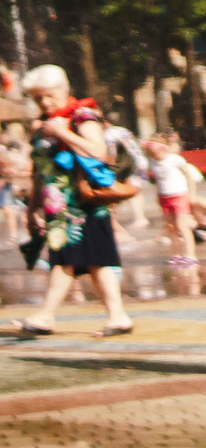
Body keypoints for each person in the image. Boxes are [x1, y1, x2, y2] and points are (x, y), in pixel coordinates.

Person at [16, 66, 135, 337]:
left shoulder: (82, 116)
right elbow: (40, 171)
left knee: (69, 260)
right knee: (92, 261)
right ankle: (118, 316)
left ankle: (46, 315)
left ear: (64, 89)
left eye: (48, 96)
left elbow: (99, 152)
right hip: (58, 205)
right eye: (37, 98)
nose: (44, 103)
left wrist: (62, 133)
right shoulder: (42, 126)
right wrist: (32, 207)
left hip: (84, 203)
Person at [148, 134, 195, 265]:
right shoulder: (153, 162)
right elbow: (157, 181)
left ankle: (190, 254)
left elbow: (188, 175)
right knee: (171, 227)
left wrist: (191, 193)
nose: (154, 154)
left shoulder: (175, 159)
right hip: (165, 196)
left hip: (179, 194)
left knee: (182, 225)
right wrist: (157, 196)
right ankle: (176, 254)